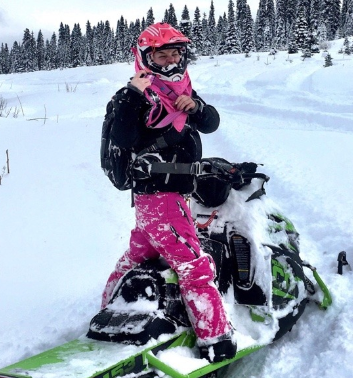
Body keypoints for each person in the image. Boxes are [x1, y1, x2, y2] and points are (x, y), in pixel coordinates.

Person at [100, 23, 237, 363]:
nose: (171, 60)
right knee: (194, 266)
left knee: (139, 255)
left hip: (167, 197)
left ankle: (106, 313)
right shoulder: (135, 94)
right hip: (160, 197)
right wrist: (133, 94)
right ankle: (216, 339)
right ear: (146, 57)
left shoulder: (178, 90)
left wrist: (197, 108)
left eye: (176, 53)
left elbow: (211, 123)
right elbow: (123, 136)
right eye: (162, 54)